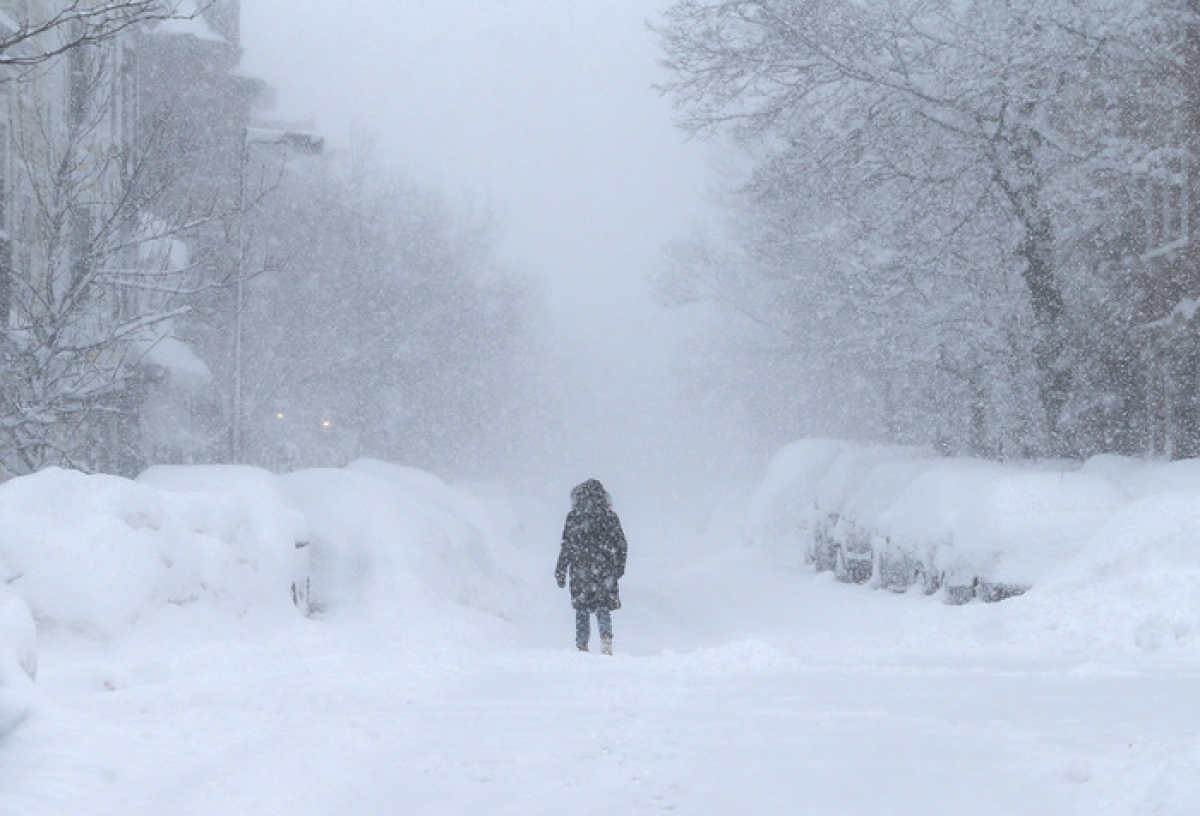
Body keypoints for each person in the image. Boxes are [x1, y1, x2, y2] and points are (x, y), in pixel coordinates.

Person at [555, 479, 627, 655]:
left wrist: (561, 569)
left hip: (581, 568)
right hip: (604, 567)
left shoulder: (574, 517)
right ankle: (606, 638)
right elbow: (621, 544)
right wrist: (619, 565)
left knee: (582, 608)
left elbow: (567, 545)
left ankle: (582, 644)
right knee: (603, 606)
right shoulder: (609, 516)